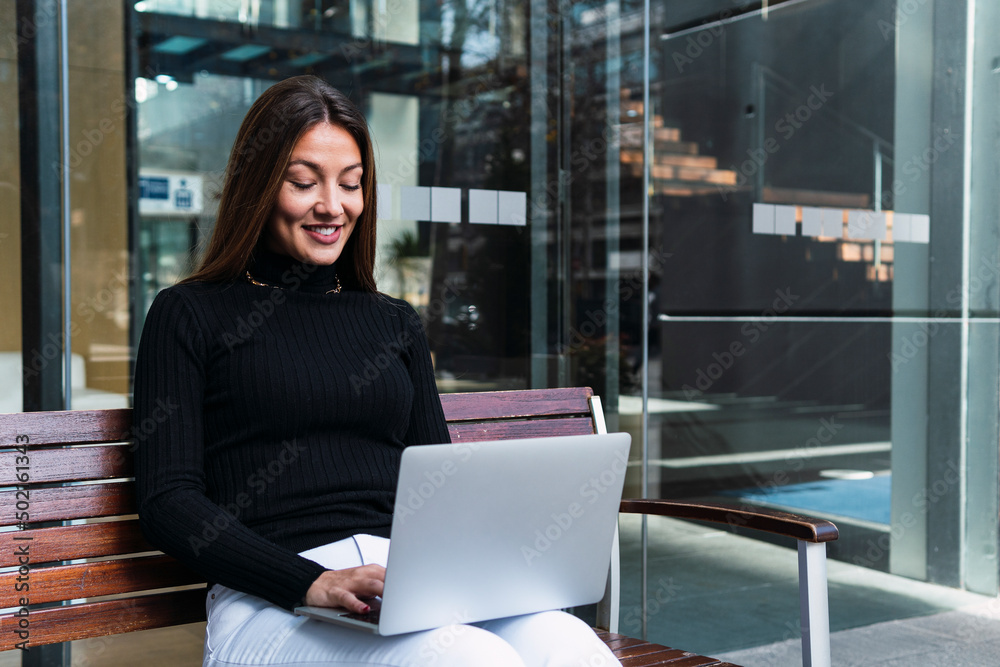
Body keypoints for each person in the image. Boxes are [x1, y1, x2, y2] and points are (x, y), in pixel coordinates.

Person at [133, 75, 621, 667]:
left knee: (570, 647)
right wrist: (309, 581)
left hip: (407, 587)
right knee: (466, 659)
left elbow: (442, 482)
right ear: (258, 186)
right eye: (303, 182)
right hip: (270, 603)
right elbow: (168, 501)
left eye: (351, 184)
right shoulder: (189, 313)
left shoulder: (393, 322)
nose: (332, 207)